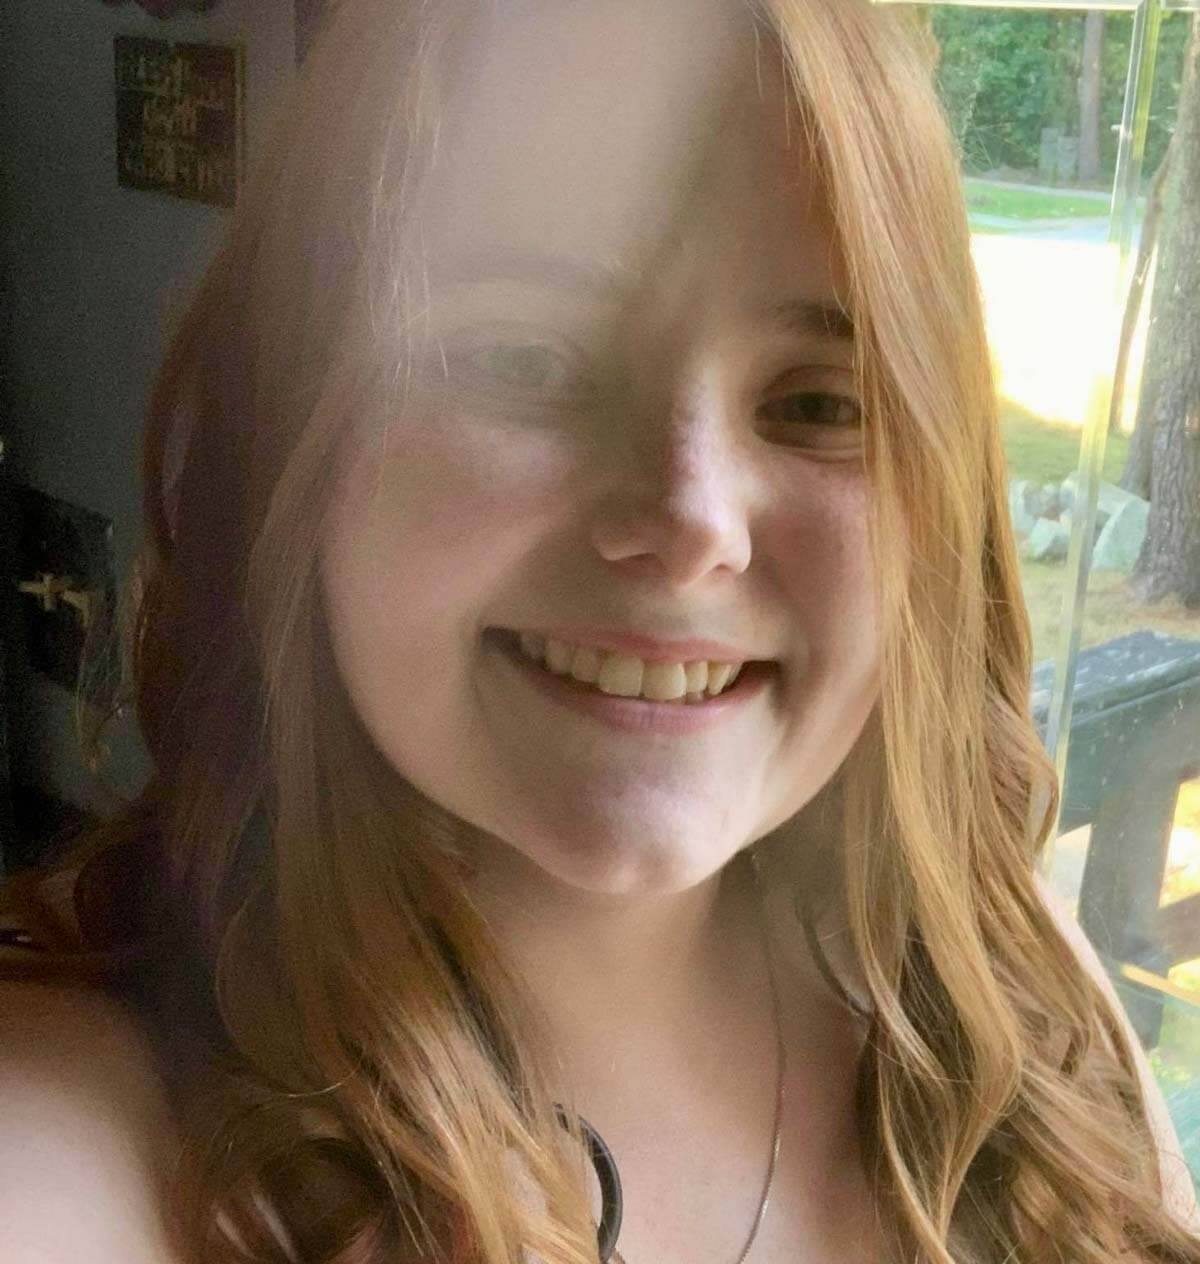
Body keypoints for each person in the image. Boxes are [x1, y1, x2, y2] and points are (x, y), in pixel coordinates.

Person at [1, 0, 1197, 1260]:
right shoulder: (82, 1133)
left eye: (815, 402)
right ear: (292, 427)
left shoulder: (1014, 1008)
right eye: (523, 359)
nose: (692, 522)